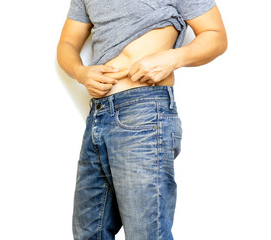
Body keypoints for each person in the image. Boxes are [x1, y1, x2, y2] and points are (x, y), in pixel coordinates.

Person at [57, 0, 227, 239]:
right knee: (88, 233)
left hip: (144, 110)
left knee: (146, 233)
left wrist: (173, 58)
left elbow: (216, 35)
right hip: (98, 113)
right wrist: (81, 73)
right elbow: (67, 43)